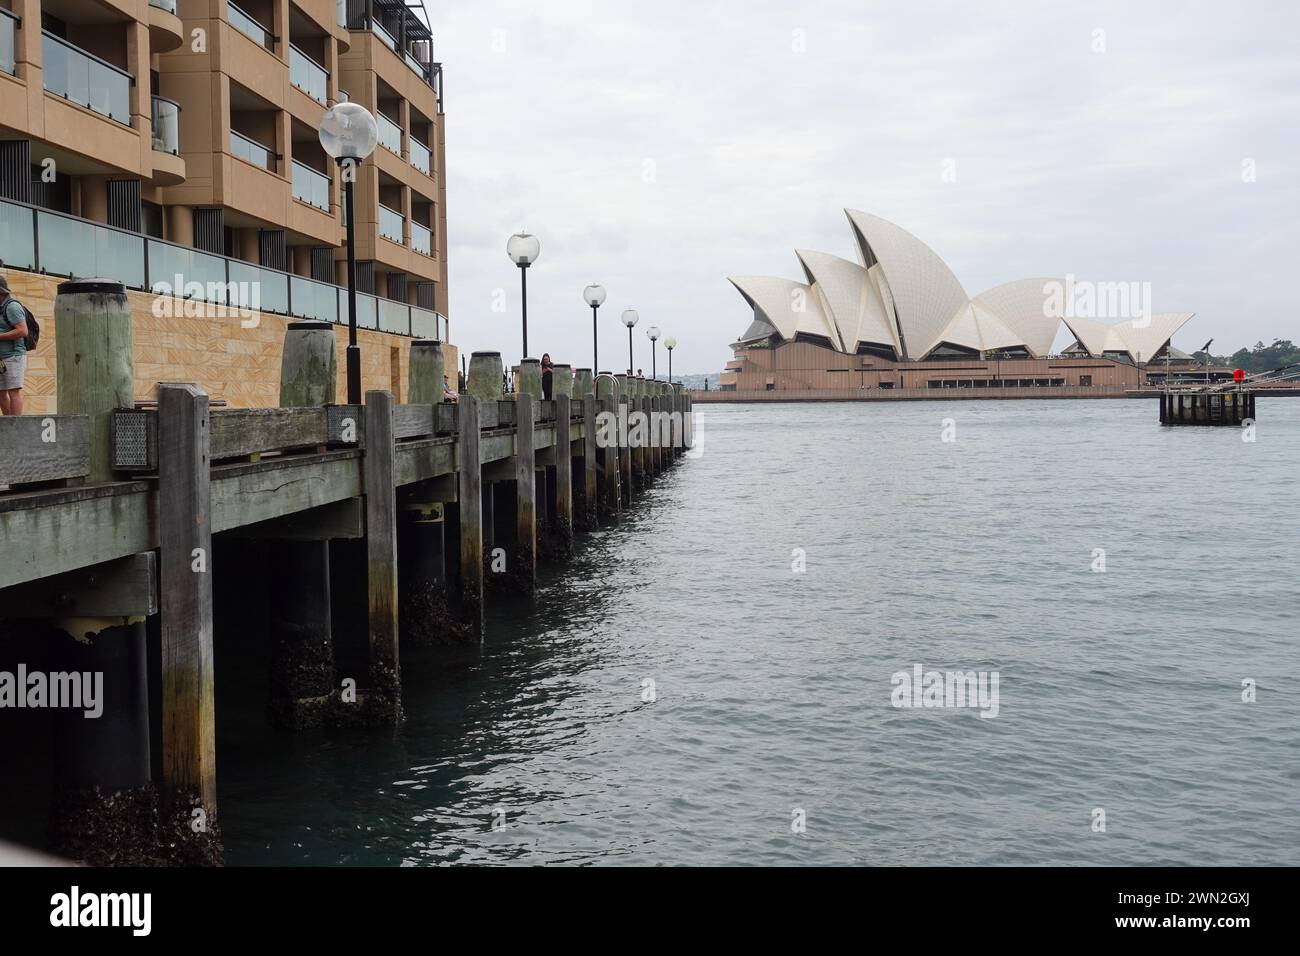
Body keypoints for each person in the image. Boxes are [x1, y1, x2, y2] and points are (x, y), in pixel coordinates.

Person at [0, 274, 29, 416]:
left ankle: (16, 427)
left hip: (14, 356)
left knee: (13, 391)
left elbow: (23, 330)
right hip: (2, 359)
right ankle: (7, 425)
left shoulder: (12, 306)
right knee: (1, 392)